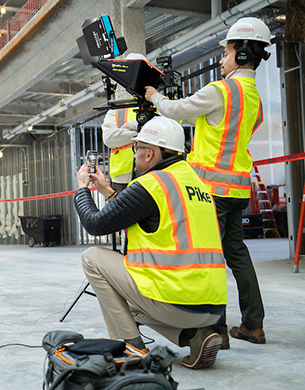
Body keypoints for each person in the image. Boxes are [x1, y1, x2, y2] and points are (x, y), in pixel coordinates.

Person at [144, 17, 271, 348]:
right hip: (238, 188)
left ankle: (217, 331)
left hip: (211, 190)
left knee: (210, 260)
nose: (221, 59)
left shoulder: (222, 90)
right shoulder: (255, 97)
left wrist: (155, 96)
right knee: (237, 254)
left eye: (226, 53)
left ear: (241, 55)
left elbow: (178, 110)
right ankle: (254, 326)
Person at [75, 116, 227, 369]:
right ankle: (195, 336)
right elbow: (139, 212)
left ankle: (131, 345)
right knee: (123, 302)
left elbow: (95, 224)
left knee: (92, 257)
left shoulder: (149, 184)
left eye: (136, 149)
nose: (134, 156)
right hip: (212, 305)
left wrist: (82, 189)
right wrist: (105, 190)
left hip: (177, 300)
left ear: (149, 154)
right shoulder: (196, 184)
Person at [102, 53, 148, 194]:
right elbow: (109, 138)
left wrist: (131, 125)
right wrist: (142, 133)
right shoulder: (117, 109)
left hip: (152, 173)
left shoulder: (160, 102)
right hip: (121, 179)